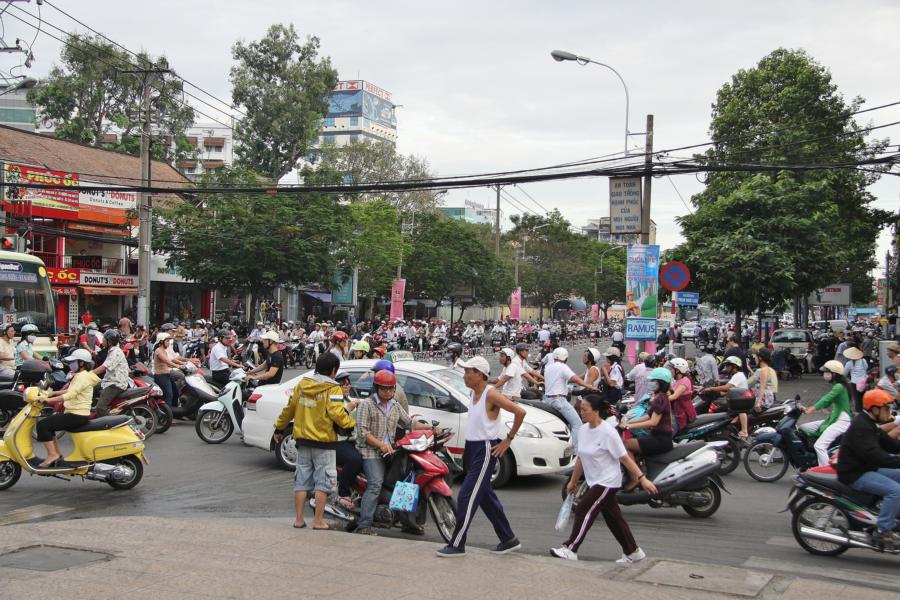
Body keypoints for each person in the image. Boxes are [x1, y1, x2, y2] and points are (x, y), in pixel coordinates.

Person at [551, 394, 657, 564]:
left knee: (583, 509)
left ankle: (571, 548)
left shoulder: (608, 433)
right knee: (614, 519)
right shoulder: (584, 430)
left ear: (596, 411)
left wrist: (642, 479)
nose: (581, 412)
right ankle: (633, 552)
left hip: (608, 481)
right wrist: (573, 482)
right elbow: (581, 458)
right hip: (594, 480)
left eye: (585, 409)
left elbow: (625, 458)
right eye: (580, 409)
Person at [437, 356, 525, 557]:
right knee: (486, 497)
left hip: (485, 449)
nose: (465, 375)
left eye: (469, 372)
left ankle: (457, 543)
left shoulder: (490, 394)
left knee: (467, 495)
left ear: (480, 374)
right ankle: (508, 538)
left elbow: (519, 412)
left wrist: (508, 440)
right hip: (472, 448)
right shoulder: (473, 392)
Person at [273, 352, 356, 530]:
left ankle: (299, 519)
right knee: (323, 483)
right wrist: (350, 425)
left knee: (301, 481)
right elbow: (337, 413)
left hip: (303, 442)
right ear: (334, 370)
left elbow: (289, 409)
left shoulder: (302, 385)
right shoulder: (332, 389)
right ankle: (318, 521)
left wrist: (279, 429)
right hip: (324, 443)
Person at [354, 369, 436, 536]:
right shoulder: (366, 405)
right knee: (376, 483)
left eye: (391, 389)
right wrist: (381, 445)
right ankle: (364, 524)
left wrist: (432, 428)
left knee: (409, 482)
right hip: (371, 452)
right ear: (376, 388)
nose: (388, 392)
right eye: (384, 389)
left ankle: (408, 522)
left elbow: (409, 423)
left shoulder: (395, 405)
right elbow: (363, 433)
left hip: (391, 452)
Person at [836, 389, 900, 546]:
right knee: (895, 491)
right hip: (855, 473)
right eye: (886, 408)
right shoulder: (862, 426)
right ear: (875, 409)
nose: (889, 412)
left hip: (867, 467)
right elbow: (876, 456)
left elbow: (889, 444)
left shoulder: (869, 423)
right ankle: (883, 530)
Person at [36, 349, 101, 467]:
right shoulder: (82, 376)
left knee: (42, 425)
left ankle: (52, 455)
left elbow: (70, 395)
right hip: (77, 414)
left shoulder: (82, 377)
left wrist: (48, 400)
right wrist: (53, 393)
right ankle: (57, 454)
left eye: (74, 362)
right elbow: (70, 390)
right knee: (49, 426)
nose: (71, 364)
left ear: (81, 363)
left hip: (76, 415)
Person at [621, 367, 675, 489]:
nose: (650, 383)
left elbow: (653, 422)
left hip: (660, 440)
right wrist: (629, 420)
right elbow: (647, 416)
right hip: (659, 437)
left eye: (653, 381)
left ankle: (635, 478)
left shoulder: (660, 400)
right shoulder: (660, 398)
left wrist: (629, 426)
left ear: (660, 383)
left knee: (624, 445)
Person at [543, 347, 598, 447]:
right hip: (559, 400)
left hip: (547, 399)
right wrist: (589, 386)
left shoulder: (548, 367)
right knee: (577, 425)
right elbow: (575, 379)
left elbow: (567, 380)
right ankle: (573, 450)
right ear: (565, 358)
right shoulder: (563, 367)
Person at [802, 360, 853, 466]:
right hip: (835, 418)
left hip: (841, 421)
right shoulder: (837, 385)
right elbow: (827, 402)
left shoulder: (839, 387)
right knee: (803, 427)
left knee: (819, 446)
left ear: (834, 374)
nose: (824, 374)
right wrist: (807, 408)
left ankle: (824, 472)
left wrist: (812, 409)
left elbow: (825, 399)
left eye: (827, 372)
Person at [333, 372, 363, 510]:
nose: (347, 386)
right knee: (354, 460)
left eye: (348, 383)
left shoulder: (347, 399)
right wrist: (349, 407)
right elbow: (336, 419)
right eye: (343, 384)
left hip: (352, 441)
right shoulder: (335, 401)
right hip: (338, 441)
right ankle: (343, 492)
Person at [739, 347, 778, 438]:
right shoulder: (769, 369)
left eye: (756, 357)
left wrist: (759, 402)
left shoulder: (763, 370)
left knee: (741, 408)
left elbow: (762, 386)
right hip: (769, 397)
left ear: (760, 358)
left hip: (764, 399)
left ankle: (744, 431)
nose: (755, 359)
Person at [92, 329, 130, 417]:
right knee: (91, 388)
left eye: (104, 339)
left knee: (100, 407)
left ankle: (109, 425)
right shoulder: (111, 350)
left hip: (115, 384)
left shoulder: (115, 352)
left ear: (109, 341)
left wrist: (88, 374)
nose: (102, 341)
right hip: (109, 380)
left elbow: (104, 367)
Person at [668, 358, 695, 433]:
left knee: (668, 432)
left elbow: (674, 396)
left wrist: (658, 399)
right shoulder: (678, 380)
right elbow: (670, 391)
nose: (671, 370)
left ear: (678, 370)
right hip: (676, 411)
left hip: (682, 413)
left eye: (672, 369)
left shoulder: (684, 381)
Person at [843, 346, 869, 413]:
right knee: (864, 398)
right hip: (864, 382)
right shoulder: (863, 361)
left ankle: (859, 413)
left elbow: (844, 373)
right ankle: (865, 411)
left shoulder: (849, 363)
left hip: (854, 383)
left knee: (857, 399)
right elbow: (866, 368)